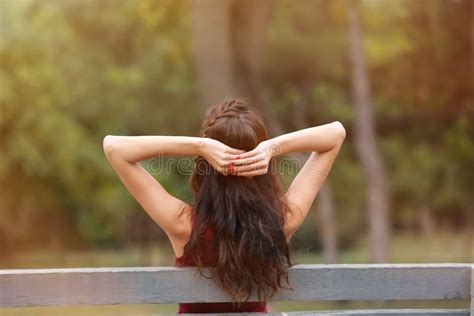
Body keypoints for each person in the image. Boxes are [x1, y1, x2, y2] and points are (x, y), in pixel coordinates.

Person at [103, 98, 345, 313]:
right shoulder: (281, 221)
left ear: (205, 164)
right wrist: (270, 148)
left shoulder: (183, 224)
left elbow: (114, 148)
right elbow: (335, 134)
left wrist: (200, 146)